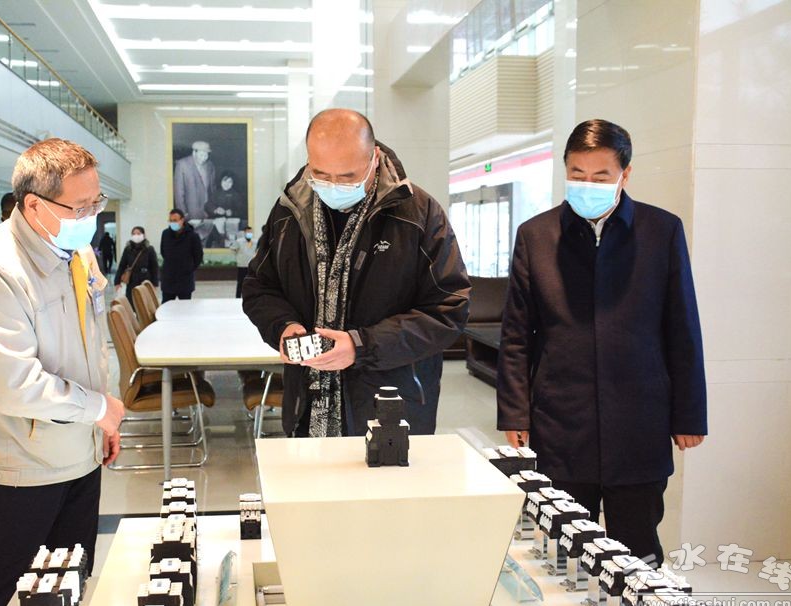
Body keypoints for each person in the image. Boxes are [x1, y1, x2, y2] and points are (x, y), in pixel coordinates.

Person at [496, 119, 707, 567]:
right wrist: (515, 411)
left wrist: (689, 414)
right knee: (564, 551)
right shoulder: (536, 235)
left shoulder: (661, 231)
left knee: (637, 552)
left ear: (624, 175)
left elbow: (683, 329)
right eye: (577, 173)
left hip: (640, 421)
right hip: (561, 421)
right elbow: (516, 335)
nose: (586, 185)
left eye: (600, 176)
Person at [0, 138, 124, 606]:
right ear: (33, 205)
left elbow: (91, 344)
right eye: (80, 207)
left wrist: (99, 421)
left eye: (96, 203)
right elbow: (15, 385)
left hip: (79, 451)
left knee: (69, 582)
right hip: (20, 467)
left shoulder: (77, 251)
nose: (91, 217)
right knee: (1, 587)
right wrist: (97, 408)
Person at [242, 109, 470, 438]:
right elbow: (260, 287)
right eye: (321, 174)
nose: (333, 185)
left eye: (348, 176)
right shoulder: (289, 211)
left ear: (374, 158)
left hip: (390, 409)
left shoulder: (418, 214)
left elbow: (449, 310)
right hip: (307, 406)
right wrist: (283, 326)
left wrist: (361, 345)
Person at [160, 208, 203, 302]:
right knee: (166, 307)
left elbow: (198, 256)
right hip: (168, 278)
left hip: (185, 280)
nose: (172, 223)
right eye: (170, 220)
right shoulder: (165, 234)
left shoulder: (192, 236)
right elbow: (163, 252)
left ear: (182, 220)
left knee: (185, 307)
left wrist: (188, 268)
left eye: (175, 220)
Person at [115, 226, 159, 308]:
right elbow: (122, 265)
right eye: (134, 234)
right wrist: (117, 282)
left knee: (145, 306)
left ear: (143, 235)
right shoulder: (128, 249)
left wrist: (155, 283)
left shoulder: (149, 249)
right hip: (132, 281)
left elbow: (154, 267)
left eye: (138, 233)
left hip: (145, 280)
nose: (136, 236)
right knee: (131, 304)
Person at [173, 140, 215, 220]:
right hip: (191, 212)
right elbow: (179, 193)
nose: (204, 158)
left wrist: (213, 208)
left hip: (208, 211)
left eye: (206, 155)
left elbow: (212, 188)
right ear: (194, 152)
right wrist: (183, 213)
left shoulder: (210, 165)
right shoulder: (182, 164)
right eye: (201, 154)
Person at [230, 226, 256, 298]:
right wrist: (238, 257)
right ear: (244, 232)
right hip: (242, 265)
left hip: (251, 266)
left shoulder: (255, 241)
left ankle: (251, 296)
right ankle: (238, 297)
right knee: (240, 282)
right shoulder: (239, 241)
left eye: (250, 232)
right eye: (248, 232)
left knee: (252, 282)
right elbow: (233, 249)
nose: (249, 233)